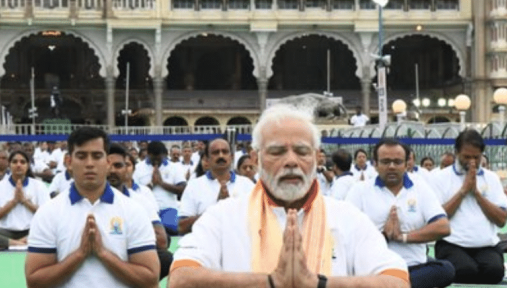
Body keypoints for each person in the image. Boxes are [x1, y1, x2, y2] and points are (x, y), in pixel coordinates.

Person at [168, 104, 410, 288]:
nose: (291, 161)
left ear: (316, 158)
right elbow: (179, 279)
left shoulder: (347, 217)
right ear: (256, 158)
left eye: (302, 151)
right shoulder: (223, 216)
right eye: (277, 151)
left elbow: (398, 280)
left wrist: (318, 284)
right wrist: (271, 282)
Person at [25, 126, 160, 288]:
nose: (89, 164)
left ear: (107, 162)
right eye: (81, 156)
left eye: (97, 156)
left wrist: (103, 253)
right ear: (69, 162)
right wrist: (79, 254)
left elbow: (150, 280)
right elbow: (34, 281)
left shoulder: (133, 211)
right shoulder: (49, 212)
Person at [346, 139, 455, 288]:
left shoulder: (420, 188)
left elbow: (443, 227)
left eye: (397, 162)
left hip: (413, 267)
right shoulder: (359, 191)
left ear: (406, 164)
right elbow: (346, 235)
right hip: (375, 268)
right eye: (385, 162)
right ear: (375, 164)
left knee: (446, 269)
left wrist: (402, 237)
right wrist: (384, 236)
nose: (391, 166)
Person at [427, 129, 507, 284]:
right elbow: (436, 219)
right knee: (466, 272)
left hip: (486, 244)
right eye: (467, 156)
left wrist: (477, 194)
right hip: (452, 243)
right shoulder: (439, 178)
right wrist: (463, 191)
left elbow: (501, 220)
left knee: (494, 273)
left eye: (476, 157)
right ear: (457, 153)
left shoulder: (491, 178)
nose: (472, 162)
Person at [108, 144, 173, 281]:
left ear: (127, 169)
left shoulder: (140, 200)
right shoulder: (89, 200)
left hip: (133, 256)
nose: (112, 171)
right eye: (108, 165)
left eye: (118, 166)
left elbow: (161, 241)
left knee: (166, 257)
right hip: (101, 260)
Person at [177, 138, 253, 235]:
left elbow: (259, 220)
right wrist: (216, 210)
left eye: (225, 152)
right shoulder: (194, 186)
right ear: (207, 159)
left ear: (232, 157)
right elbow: (181, 227)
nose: (221, 155)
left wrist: (229, 209)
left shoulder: (247, 185)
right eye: (216, 152)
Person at [0, 150, 50, 247]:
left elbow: (47, 216)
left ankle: (19, 242)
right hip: (7, 232)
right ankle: (17, 243)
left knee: (49, 232)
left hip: (31, 230)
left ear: (28, 165)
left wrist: (24, 201)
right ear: (9, 165)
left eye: (22, 162)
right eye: (14, 162)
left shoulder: (39, 186)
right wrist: (13, 202)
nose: (18, 165)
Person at [133, 141, 186, 236]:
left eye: (159, 158)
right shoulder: (138, 168)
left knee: (172, 229)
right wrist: (152, 184)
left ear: (165, 155)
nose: (156, 162)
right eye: (154, 159)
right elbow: (133, 192)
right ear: (148, 154)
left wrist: (162, 183)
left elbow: (183, 189)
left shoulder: (174, 167)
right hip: (146, 209)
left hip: (168, 208)